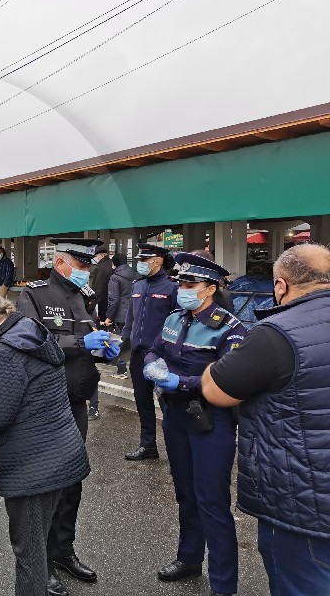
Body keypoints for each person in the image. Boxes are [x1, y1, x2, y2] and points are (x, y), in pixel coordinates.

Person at [202, 243, 330, 596]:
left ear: (281, 286)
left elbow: (217, 389)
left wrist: (210, 365)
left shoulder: (277, 332)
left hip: (302, 504)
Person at [0, 294, 90, 596]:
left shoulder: (3, 352)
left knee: (29, 551)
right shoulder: (30, 331)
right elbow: (20, 386)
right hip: (59, 454)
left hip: (32, 468)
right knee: (38, 537)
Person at [17, 238, 119, 592]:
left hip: (75, 402)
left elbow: (87, 339)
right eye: (81, 264)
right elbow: (31, 343)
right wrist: (79, 345)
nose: (86, 271)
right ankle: (42, 562)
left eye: (88, 265)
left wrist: (104, 347)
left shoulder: (82, 295)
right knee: (47, 487)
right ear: (60, 263)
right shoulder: (34, 295)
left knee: (72, 482)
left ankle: (63, 551)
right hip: (44, 405)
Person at [143, 253, 245, 596]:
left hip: (209, 420)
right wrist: (153, 365)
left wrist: (181, 382)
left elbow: (229, 379)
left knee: (211, 500)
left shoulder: (229, 327)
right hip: (175, 416)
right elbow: (155, 348)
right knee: (185, 492)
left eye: (190, 285)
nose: (183, 290)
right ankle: (189, 558)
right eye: (181, 284)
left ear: (211, 289)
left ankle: (223, 585)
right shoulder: (175, 317)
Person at [121, 243, 178, 461]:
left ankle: (176, 446)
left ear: (159, 260)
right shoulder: (138, 286)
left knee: (168, 402)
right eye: (140, 260)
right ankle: (148, 446)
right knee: (142, 401)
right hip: (138, 353)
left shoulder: (172, 288)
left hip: (163, 355)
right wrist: (125, 345)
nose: (141, 264)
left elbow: (178, 322)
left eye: (145, 260)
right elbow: (130, 319)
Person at [105, 252, 137, 336]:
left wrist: (109, 317)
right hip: (135, 312)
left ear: (115, 263)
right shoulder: (136, 274)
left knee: (121, 342)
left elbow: (113, 300)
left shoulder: (115, 277)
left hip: (121, 315)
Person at [89, 246, 113, 323]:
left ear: (102, 255)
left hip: (103, 302)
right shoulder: (112, 264)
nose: (96, 258)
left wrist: (92, 303)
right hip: (112, 301)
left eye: (96, 256)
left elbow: (99, 287)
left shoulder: (101, 267)